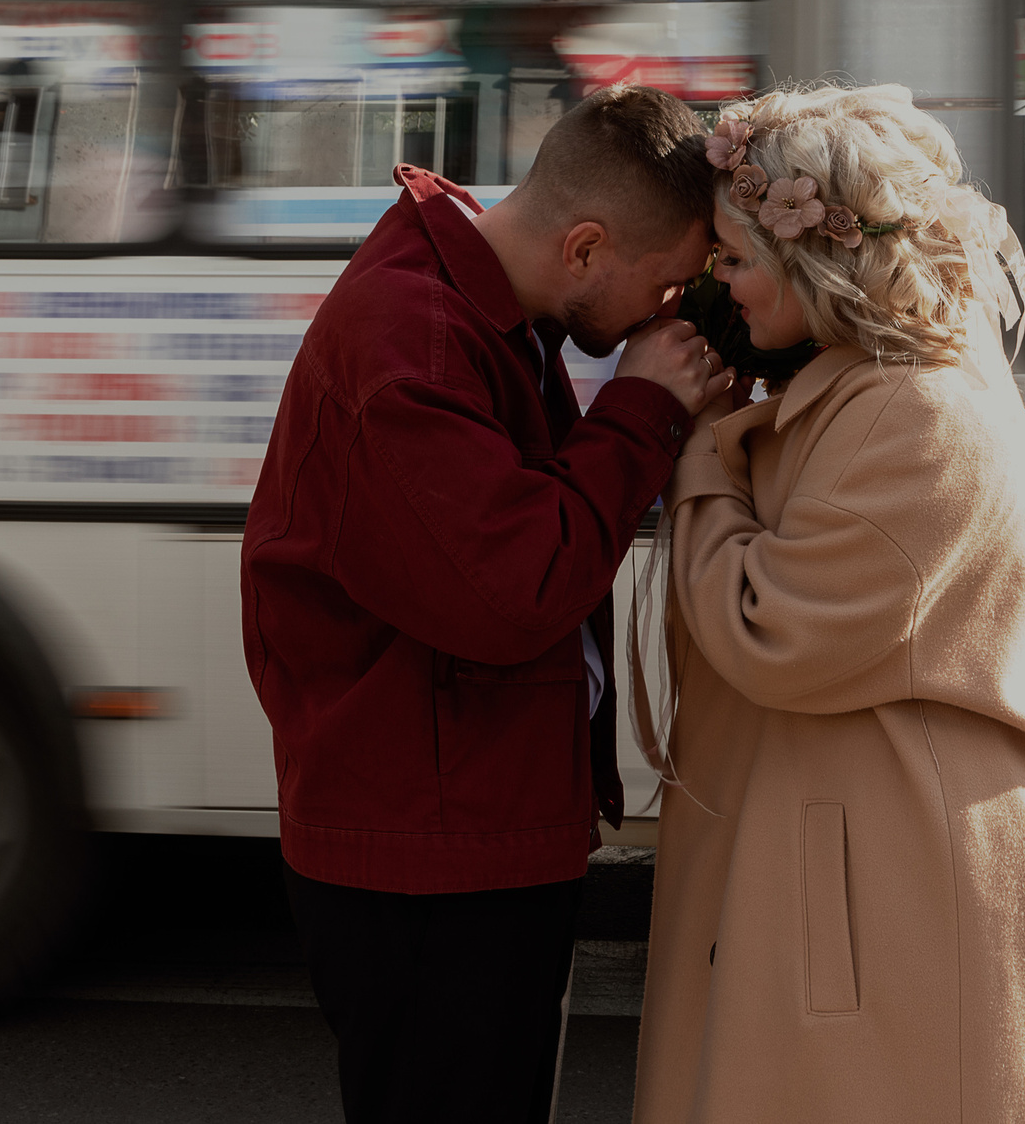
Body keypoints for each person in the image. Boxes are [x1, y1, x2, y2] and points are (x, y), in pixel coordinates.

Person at [628, 83, 1025, 1123]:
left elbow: (772, 628)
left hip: (906, 894)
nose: (716, 285)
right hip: (878, 865)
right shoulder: (882, 382)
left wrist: (698, 462)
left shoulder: (918, 411)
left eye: (736, 259)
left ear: (816, 255)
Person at [243, 82, 735, 1124]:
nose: (667, 315)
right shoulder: (411, 340)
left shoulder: (478, 300)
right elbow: (516, 589)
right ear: (587, 246)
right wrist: (641, 404)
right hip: (429, 856)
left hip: (457, 820)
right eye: (668, 285)